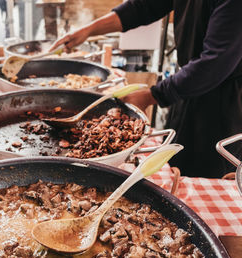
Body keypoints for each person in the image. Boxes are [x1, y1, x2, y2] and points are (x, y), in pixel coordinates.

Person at [50, 0, 242, 178]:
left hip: (225, 103)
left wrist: (154, 95)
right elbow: (143, 6)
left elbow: (215, 64)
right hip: (191, 85)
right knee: (175, 167)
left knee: (208, 174)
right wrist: (88, 30)